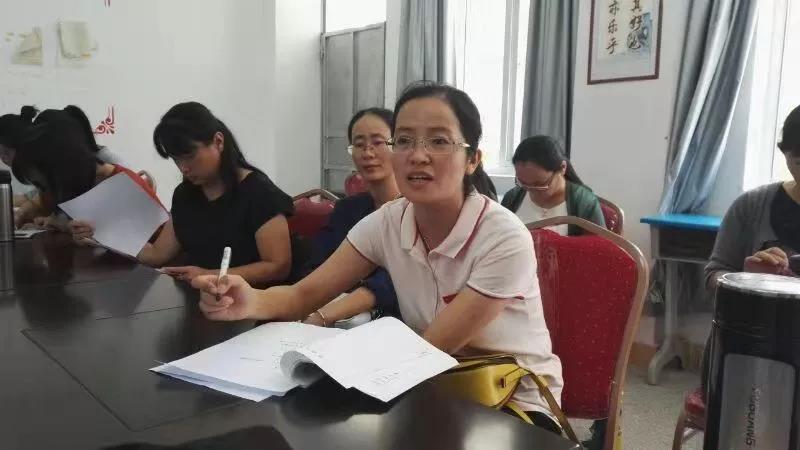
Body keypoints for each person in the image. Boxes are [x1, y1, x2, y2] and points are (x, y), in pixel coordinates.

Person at [192, 82, 564, 434]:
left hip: (513, 405)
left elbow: (430, 347)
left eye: (438, 141)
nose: (417, 155)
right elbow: (303, 295)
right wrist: (250, 300)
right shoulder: (387, 221)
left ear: (472, 160)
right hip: (431, 388)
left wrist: (333, 359)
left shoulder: (503, 237)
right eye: (403, 140)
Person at [78, 102, 295, 286]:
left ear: (218, 142)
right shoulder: (185, 195)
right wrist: (102, 233)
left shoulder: (259, 193)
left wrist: (210, 275)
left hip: (255, 304)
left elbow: (277, 266)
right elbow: (156, 254)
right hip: (203, 300)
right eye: (176, 159)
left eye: (189, 156)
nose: (183, 168)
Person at [701, 105, 800, 393]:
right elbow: (712, 277)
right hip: (751, 354)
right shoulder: (751, 206)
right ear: (786, 155)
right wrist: (743, 280)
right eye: (799, 161)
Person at [301, 108, 402, 326]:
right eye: (359, 144)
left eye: (378, 142)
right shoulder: (347, 209)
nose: (368, 153)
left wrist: (326, 314)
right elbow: (317, 265)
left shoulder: (415, 211)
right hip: (332, 311)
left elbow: (398, 280)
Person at [12, 109, 159, 231]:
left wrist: (79, 231)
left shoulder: (123, 184)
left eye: (43, 184)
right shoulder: (72, 185)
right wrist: (57, 224)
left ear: (61, 170)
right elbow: (44, 205)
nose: (44, 191)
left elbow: (147, 244)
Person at [501, 135, 605, 235]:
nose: (531, 191)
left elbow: (601, 245)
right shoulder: (512, 198)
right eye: (522, 183)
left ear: (562, 168)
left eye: (539, 184)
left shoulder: (583, 202)